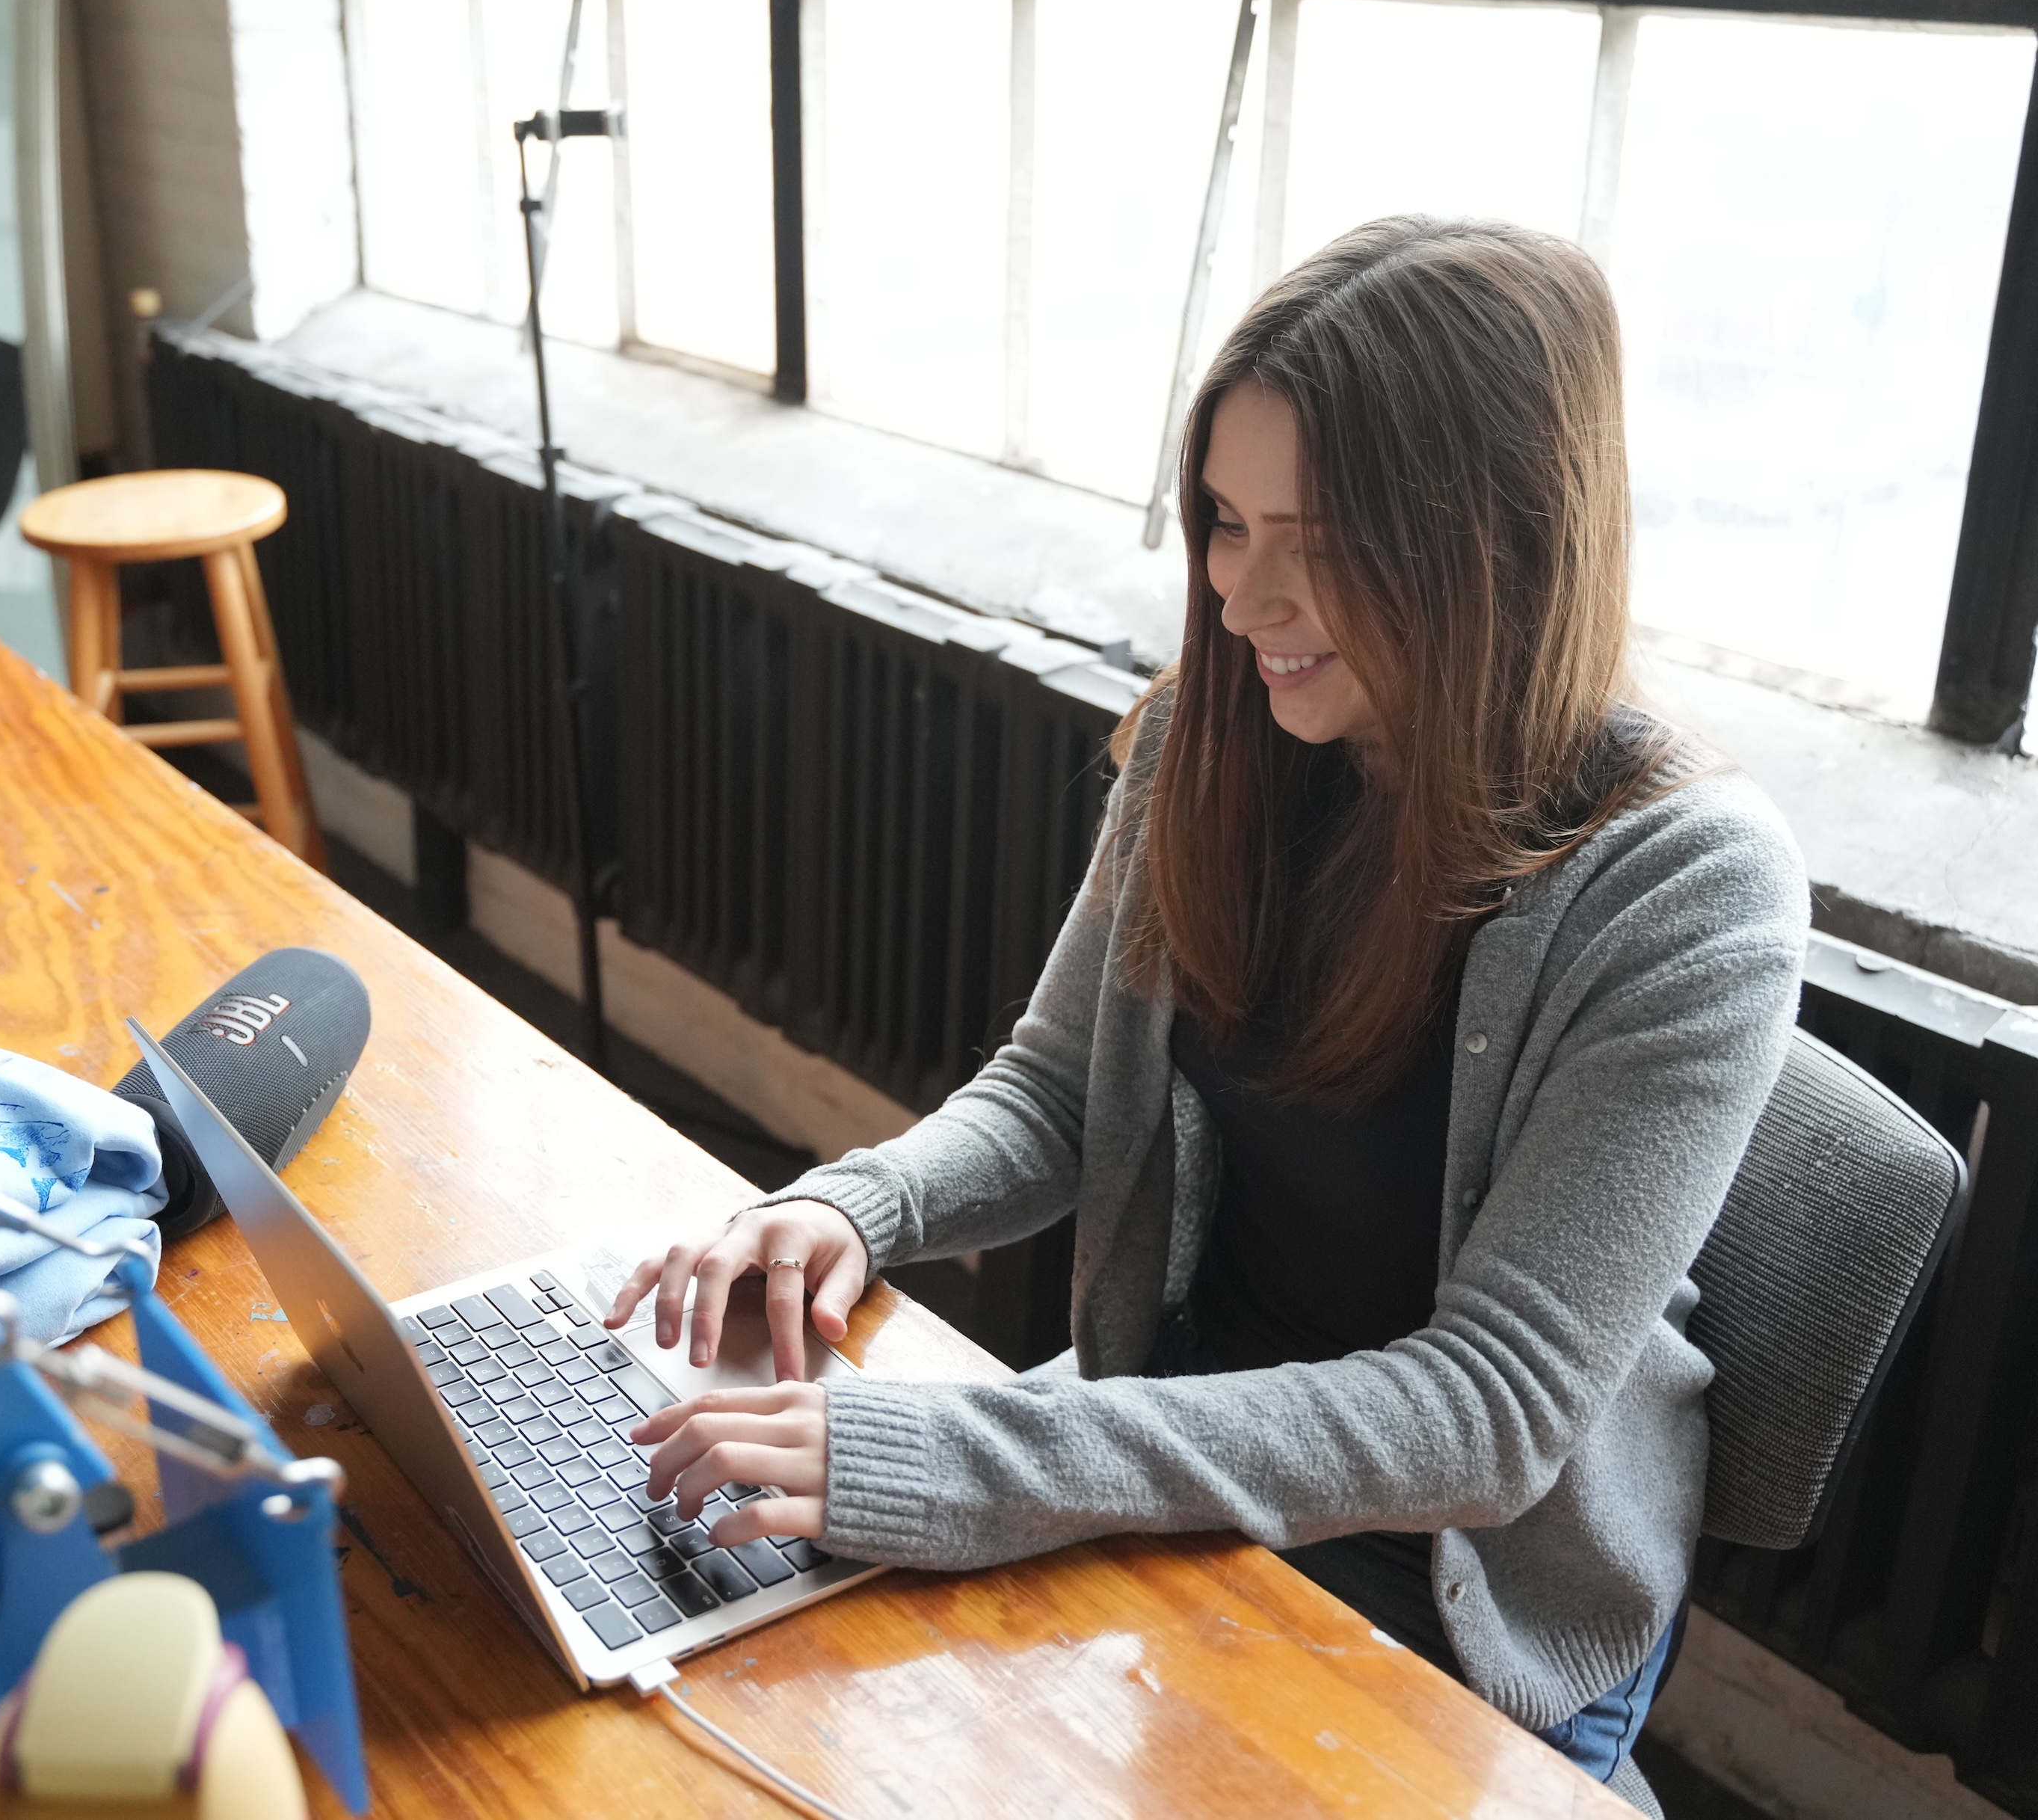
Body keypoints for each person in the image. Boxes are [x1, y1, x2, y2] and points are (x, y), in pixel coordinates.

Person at [603, 215, 1809, 1804]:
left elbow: (1489, 1412)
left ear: (1500, 537)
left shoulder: (1689, 883)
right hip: (1165, 1433)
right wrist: (855, 1203)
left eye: (1317, 537)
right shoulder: (1212, 733)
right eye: (1224, 525)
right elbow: (1052, 1089)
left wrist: (963, 1459)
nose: (1246, 599)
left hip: (1452, 1576)